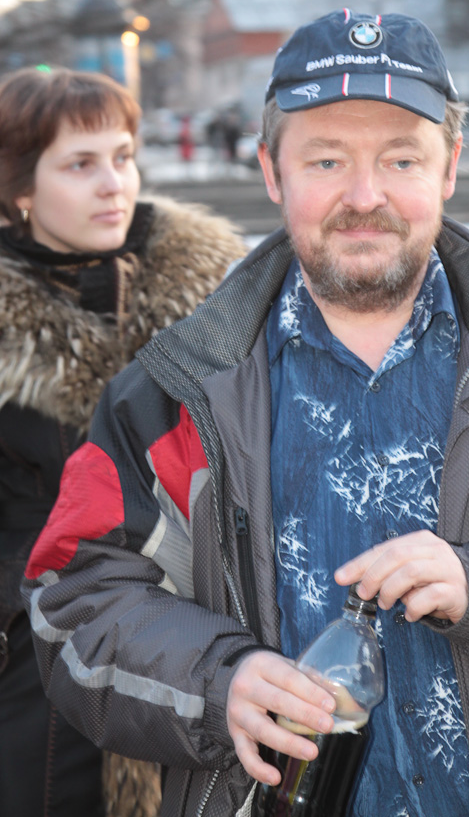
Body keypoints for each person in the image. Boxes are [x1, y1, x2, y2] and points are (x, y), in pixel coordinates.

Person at [21, 11, 469, 817]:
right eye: (326, 160)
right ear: (271, 171)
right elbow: (73, 602)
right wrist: (217, 682)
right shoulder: (170, 393)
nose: (365, 197)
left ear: (450, 167)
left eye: (401, 159)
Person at [0, 65, 245, 817]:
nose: (115, 184)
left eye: (124, 156)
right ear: (20, 189)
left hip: (201, 662)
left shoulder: (219, 305)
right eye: (80, 164)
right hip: (38, 676)